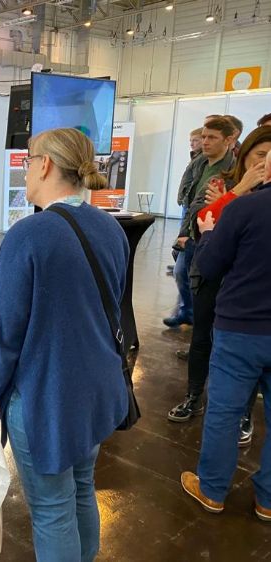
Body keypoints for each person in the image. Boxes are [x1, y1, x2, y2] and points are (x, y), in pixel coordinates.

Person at [0, 128, 128, 562]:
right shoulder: (111, 227)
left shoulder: (28, 235)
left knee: (51, 508)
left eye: (28, 161)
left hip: (46, 397)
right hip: (97, 389)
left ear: (44, 165)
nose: (25, 171)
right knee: (81, 487)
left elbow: (5, 332)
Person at [181, 149, 271, 521]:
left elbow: (209, 264)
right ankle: (268, 500)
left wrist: (207, 235)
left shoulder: (245, 208)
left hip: (240, 329)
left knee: (224, 412)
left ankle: (213, 489)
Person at [167, 126, 271, 437]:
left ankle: (244, 414)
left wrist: (225, 203)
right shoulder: (223, 180)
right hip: (212, 270)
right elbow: (202, 219)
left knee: (245, 352)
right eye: (261, 154)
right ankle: (194, 396)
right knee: (201, 336)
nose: (266, 162)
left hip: (248, 282)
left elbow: (218, 218)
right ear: (246, 154)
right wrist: (240, 189)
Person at [165, 117, 235, 328]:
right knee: (181, 272)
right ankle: (188, 312)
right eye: (203, 137)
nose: (205, 142)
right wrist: (184, 231)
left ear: (228, 140)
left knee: (203, 279)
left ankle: (202, 320)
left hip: (213, 232)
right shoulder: (199, 163)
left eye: (212, 137)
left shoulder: (233, 168)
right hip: (192, 227)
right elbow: (190, 199)